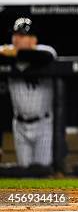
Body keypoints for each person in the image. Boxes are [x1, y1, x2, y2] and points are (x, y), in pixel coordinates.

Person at [0, 18, 57, 167]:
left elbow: (46, 56)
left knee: (43, 172)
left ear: (33, 40)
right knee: (24, 175)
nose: (16, 39)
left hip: (43, 124)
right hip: (19, 125)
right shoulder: (5, 53)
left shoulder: (45, 52)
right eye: (15, 35)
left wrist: (14, 53)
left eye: (22, 35)